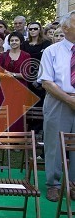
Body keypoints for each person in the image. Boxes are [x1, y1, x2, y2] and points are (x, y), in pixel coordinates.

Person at [37, 10, 75, 202]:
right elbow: (46, 82)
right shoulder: (51, 51)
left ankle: (74, 184)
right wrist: (69, 100)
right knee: (55, 144)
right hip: (58, 101)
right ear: (66, 27)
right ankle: (54, 184)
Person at [0, 31, 31, 132]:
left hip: (20, 89)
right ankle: (3, 140)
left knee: (17, 115)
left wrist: (13, 75)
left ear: (21, 42)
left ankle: (17, 141)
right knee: (4, 113)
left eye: (16, 40)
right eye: (12, 40)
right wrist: (4, 74)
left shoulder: (26, 56)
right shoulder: (3, 56)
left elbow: (27, 74)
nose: (14, 42)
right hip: (4, 89)